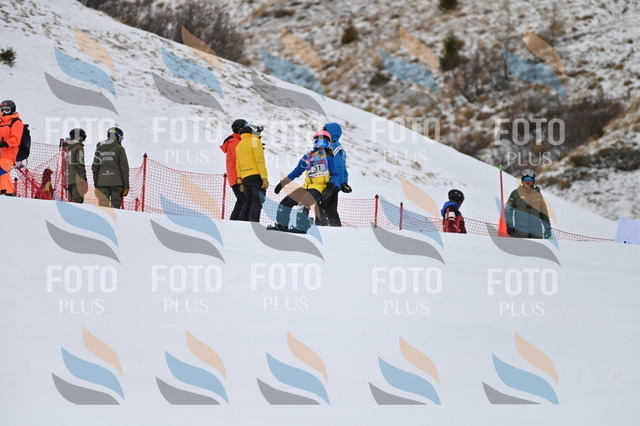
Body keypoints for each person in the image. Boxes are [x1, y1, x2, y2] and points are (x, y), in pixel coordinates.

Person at [272, 130, 339, 232]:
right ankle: (282, 225)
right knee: (285, 203)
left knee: (304, 202)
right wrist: (283, 183)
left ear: (328, 145)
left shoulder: (329, 156)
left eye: (324, 144)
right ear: (314, 143)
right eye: (319, 142)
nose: (321, 146)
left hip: (319, 187)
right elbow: (297, 171)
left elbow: (335, 174)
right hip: (306, 186)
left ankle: (302, 226)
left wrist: (330, 186)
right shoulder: (308, 157)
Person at [317, 122, 351, 226]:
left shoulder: (332, 148)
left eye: (324, 130)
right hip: (335, 183)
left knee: (321, 207)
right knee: (331, 209)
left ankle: (320, 227)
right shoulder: (338, 147)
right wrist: (343, 182)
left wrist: (333, 182)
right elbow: (343, 168)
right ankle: (336, 228)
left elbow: (338, 166)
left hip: (329, 183)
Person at [505, 169, 552, 239]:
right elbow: (508, 210)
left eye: (530, 179)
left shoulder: (538, 195)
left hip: (536, 232)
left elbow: (544, 213)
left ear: (533, 181)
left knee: (537, 246)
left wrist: (547, 228)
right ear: (522, 180)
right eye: (525, 179)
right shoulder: (515, 193)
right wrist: (509, 226)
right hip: (520, 232)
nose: (528, 181)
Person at [235, 123, 268, 222]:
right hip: (256, 175)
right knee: (257, 200)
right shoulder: (255, 141)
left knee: (247, 201)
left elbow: (238, 166)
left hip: (245, 177)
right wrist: (264, 178)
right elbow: (259, 161)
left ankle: (243, 223)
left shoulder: (239, 145)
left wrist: (240, 181)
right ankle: (254, 222)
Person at [92, 127, 129, 209]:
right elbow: (124, 168)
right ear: (118, 137)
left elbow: (95, 167)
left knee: (103, 208)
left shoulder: (99, 148)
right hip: (117, 183)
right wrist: (126, 186)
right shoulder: (120, 149)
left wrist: (96, 184)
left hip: (102, 182)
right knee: (115, 207)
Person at [220, 119, 246, 220]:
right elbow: (239, 159)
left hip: (236, 176)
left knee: (243, 199)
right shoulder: (234, 142)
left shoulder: (238, 140)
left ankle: (237, 220)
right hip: (237, 176)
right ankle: (234, 221)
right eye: (245, 127)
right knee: (242, 199)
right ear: (240, 129)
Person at [0, 100, 24, 196]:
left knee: (2, 171)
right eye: (2, 110)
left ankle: (9, 193)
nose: (4, 112)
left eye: (7, 110)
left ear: (12, 110)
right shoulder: (1, 121)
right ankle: (2, 192)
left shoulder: (16, 122)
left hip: (9, 153)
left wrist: (6, 143)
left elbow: (16, 138)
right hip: (1, 152)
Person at [66, 128, 88, 203]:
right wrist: (84, 179)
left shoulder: (65, 147)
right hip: (77, 181)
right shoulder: (79, 147)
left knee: (70, 204)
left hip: (66, 180)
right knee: (77, 203)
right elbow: (80, 164)